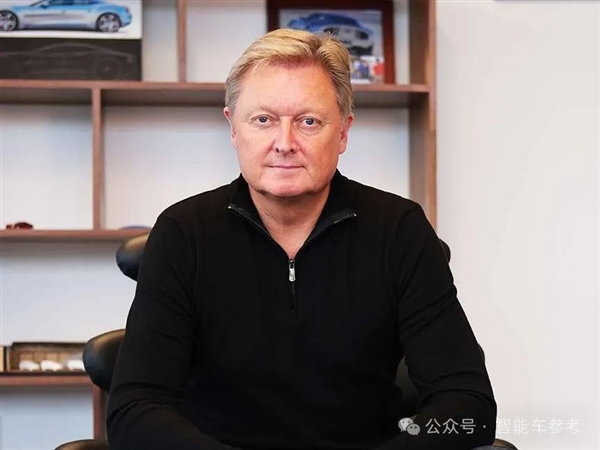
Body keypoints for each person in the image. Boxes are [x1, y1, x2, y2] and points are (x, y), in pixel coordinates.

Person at [106, 28, 498, 450]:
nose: (284, 144)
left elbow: (469, 406)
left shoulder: (399, 229)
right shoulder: (183, 232)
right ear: (233, 128)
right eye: (263, 120)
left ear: (343, 132)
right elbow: (134, 410)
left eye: (309, 122)